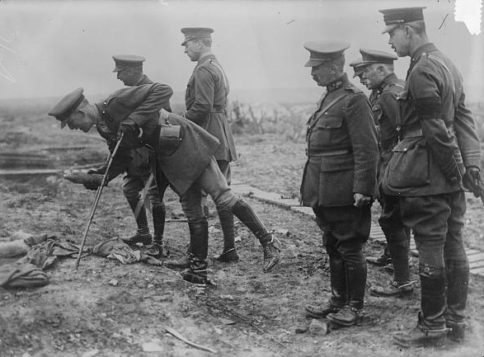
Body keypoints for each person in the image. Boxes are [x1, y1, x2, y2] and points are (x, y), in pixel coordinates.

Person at [48, 85, 280, 285]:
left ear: (80, 111)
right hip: (167, 154)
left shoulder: (117, 101)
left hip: (184, 141)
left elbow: (162, 90)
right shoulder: (104, 126)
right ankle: (198, 269)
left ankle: (269, 243)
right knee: (191, 208)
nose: (74, 128)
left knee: (222, 195)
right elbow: (120, 159)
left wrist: (134, 119)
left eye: (72, 123)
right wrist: (90, 177)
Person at [379, 7, 481, 347]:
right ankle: (456, 322)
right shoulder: (446, 63)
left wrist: (456, 172)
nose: (391, 41)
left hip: (428, 177)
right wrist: (471, 167)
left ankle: (432, 327)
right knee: (454, 244)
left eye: (392, 34)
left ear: (409, 30)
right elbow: (465, 120)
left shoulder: (422, 70)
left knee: (430, 248)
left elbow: (436, 130)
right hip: (447, 177)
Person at [301, 41, 379, 328]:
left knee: (350, 246)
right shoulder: (329, 97)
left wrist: (364, 188)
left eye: (317, 68)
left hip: (344, 188)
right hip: (324, 188)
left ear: (335, 66)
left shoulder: (354, 99)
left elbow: (367, 149)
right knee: (332, 244)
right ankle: (337, 301)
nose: (312, 73)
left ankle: (354, 307)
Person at [355, 49, 413, 297]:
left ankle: (402, 281)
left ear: (381, 69)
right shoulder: (380, 92)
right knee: (393, 216)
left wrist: (395, 167)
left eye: (365, 72)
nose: (362, 78)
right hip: (386, 162)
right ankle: (392, 258)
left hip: (394, 164)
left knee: (392, 219)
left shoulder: (392, 94)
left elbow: (406, 134)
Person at [180, 27, 239, 263]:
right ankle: (229, 248)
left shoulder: (204, 69)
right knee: (223, 193)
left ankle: (197, 252)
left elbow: (201, 108)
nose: (185, 49)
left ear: (198, 43)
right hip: (221, 135)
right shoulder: (217, 65)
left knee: (199, 194)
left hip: (209, 137)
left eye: (187, 44)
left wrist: (181, 120)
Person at [104, 55, 167, 255]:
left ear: (132, 71)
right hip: (134, 156)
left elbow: (165, 121)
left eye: (121, 72)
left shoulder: (151, 89)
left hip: (151, 155)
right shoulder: (130, 91)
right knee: (129, 189)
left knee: (155, 197)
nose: (118, 77)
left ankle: (158, 243)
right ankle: (143, 233)